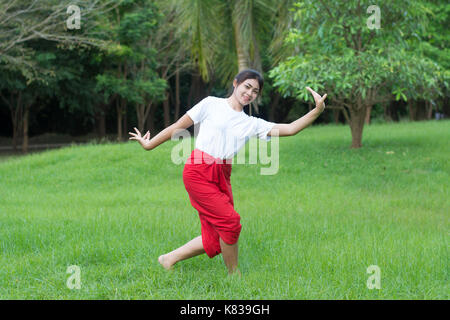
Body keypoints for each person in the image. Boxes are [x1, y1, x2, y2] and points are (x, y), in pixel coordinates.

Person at [129, 69, 327, 275]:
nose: (249, 93)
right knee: (231, 223)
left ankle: (168, 259)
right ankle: (234, 275)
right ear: (235, 83)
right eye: (247, 86)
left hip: (222, 175)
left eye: (255, 91)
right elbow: (179, 126)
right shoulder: (211, 104)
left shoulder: (252, 124)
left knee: (218, 233)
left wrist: (317, 111)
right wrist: (149, 144)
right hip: (198, 170)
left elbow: (290, 129)